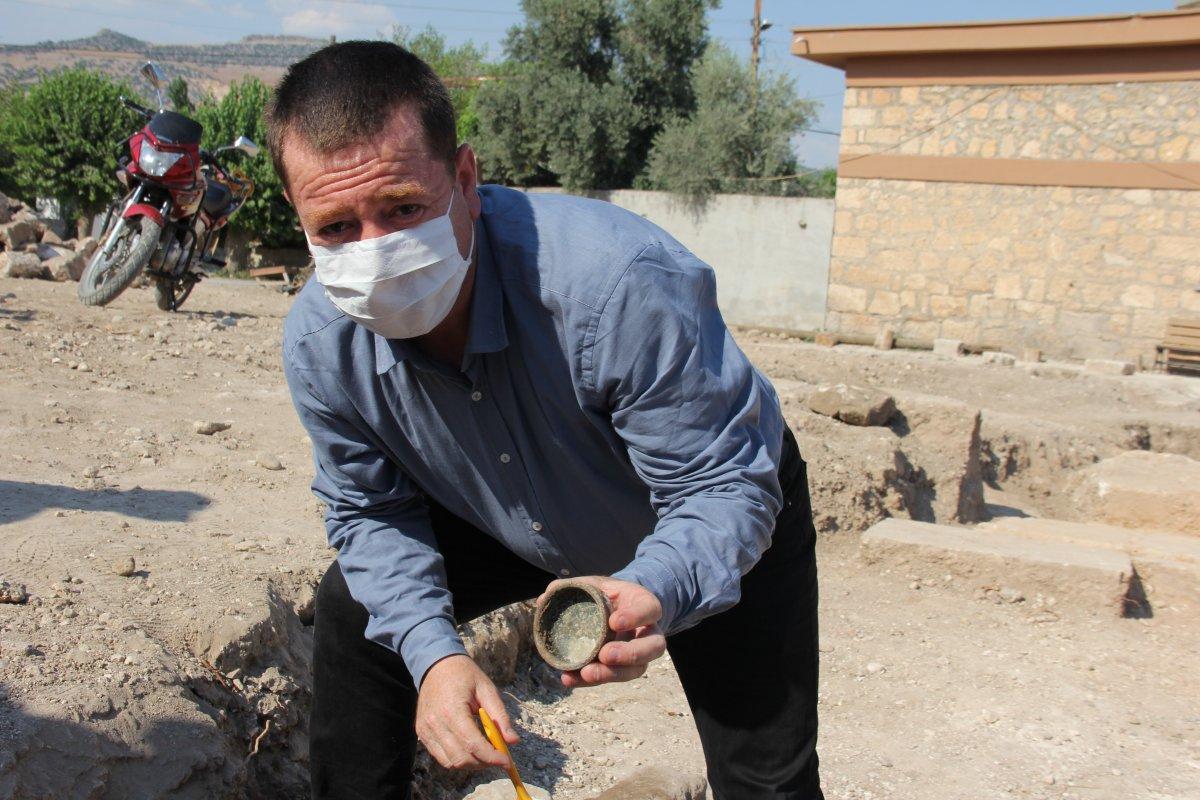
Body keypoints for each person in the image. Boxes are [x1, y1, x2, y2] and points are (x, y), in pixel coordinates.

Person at [271, 40, 823, 800]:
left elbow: (720, 485)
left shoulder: (615, 284)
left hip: (704, 503)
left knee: (767, 780)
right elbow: (370, 511)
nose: (376, 252)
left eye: (402, 209)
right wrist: (436, 658)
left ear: (465, 180)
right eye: (335, 226)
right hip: (506, 512)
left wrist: (659, 585)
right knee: (356, 610)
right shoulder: (321, 343)